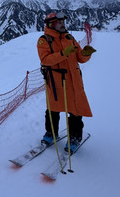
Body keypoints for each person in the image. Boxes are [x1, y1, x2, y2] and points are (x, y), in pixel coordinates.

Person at [37, 12, 96, 153]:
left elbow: (79, 57)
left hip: (74, 81)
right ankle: (51, 133)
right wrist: (64, 53)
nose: (63, 24)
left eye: (63, 22)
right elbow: (45, 60)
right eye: (59, 22)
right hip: (56, 82)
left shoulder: (70, 38)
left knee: (76, 110)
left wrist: (86, 54)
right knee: (53, 109)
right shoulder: (44, 40)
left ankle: (75, 137)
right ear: (51, 24)